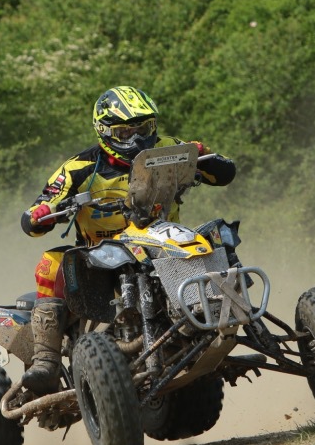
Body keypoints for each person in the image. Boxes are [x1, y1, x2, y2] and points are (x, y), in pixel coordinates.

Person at [18, 86, 236, 394]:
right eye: (124, 131)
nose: (136, 139)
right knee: (51, 262)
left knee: (219, 238)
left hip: (163, 245)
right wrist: (43, 211)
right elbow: (36, 215)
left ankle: (241, 319)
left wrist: (203, 156)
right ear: (104, 131)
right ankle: (45, 363)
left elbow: (224, 173)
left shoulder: (170, 148)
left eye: (143, 128)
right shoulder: (78, 168)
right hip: (101, 257)